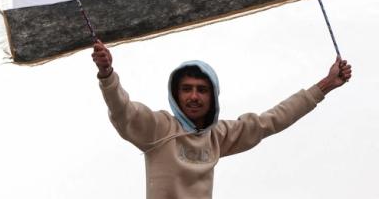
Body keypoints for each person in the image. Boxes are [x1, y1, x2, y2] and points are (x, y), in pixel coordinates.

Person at [91, 40, 352, 199]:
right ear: (176, 94)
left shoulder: (218, 136)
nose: (194, 96)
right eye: (186, 89)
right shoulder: (158, 129)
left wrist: (326, 85)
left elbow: (273, 120)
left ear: (213, 97)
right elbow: (123, 111)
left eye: (202, 90)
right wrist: (107, 73)